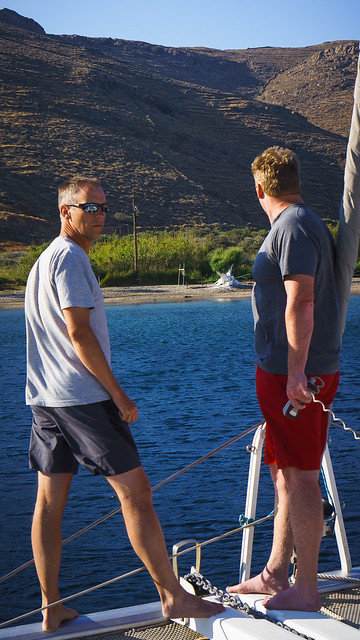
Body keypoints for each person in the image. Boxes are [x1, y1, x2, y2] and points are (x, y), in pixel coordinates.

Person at [25, 175, 224, 632]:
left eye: (103, 209)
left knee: (49, 503)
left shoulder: (43, 262)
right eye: (88, 208)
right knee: (136, 493)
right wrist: (118, 394)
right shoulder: (71, 259)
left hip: (45, 399)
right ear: (65, 211)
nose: (98, 217)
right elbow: (78, 334)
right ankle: (173, 597)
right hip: (82, 399)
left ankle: (50, 606)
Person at [227, 147, 341, 611]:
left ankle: (308, 587)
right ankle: (276, 573)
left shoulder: (292, 228)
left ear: (259, 190)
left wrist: (296, 372)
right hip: (283, 373)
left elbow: (302, 303)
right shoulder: (301, 223)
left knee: (301, 476)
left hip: (296, 377)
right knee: (282, 473)